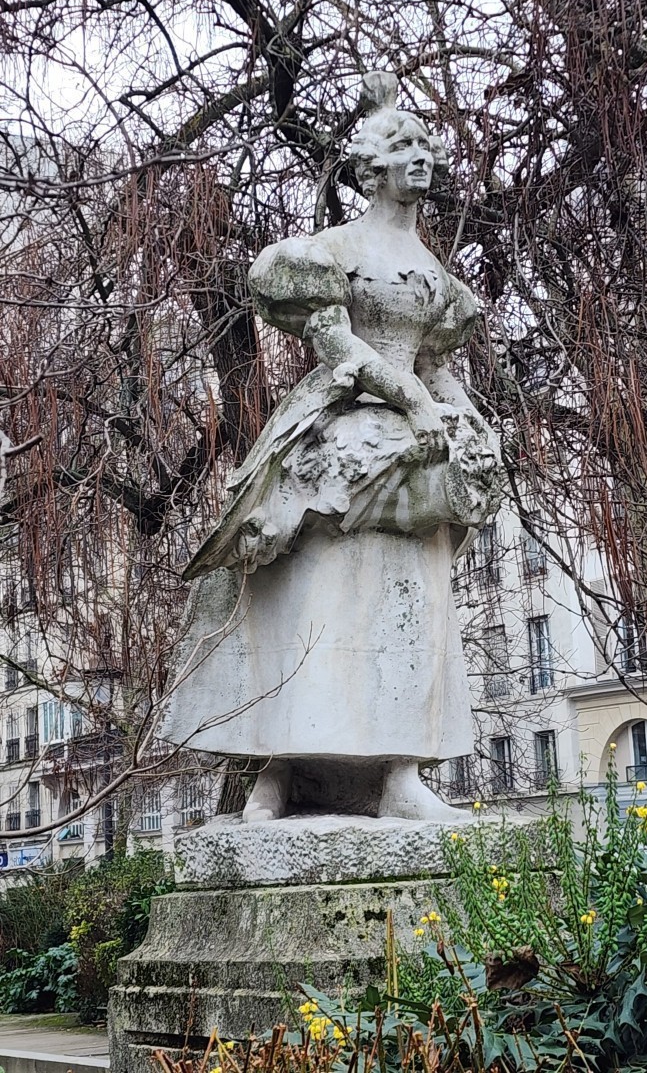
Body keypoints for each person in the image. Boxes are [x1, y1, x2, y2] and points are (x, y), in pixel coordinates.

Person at [161, 72, 501, 821]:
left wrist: (471, 424)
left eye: (425, 145)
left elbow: (436, 365)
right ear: (371, 167)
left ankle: (402, 776)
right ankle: (279, 769)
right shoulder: (333, 251)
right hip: (343, 428)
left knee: (411, 602)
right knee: (306, 596)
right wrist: (413, 402)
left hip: (417, 445)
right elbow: (337, 345)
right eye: (403, 146)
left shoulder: (436, 276)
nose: (420, 156)